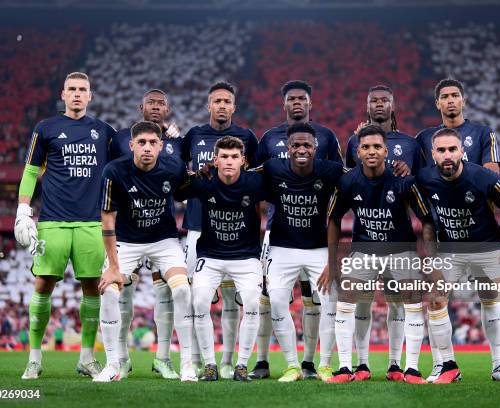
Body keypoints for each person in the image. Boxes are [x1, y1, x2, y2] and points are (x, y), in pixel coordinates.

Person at [16, 72, 116, 380]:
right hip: (52, 222)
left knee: (92, 289)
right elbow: (31, 171)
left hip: (91, 224)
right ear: (63, 94)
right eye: (71, 89)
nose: (76, 94)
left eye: (82, 90)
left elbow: (121, 167)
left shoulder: (105, 131)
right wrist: (22, 209)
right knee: (43, 284)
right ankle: (34, 358)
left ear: (90, 96)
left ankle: (86, 358)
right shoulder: (46, 128)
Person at [318, 125, 434, 384]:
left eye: (377, 147)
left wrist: (428, 258)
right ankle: (348, 368)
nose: (372, 151)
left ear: (386, 151)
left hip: (401, 250)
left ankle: (408, 368)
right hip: (364, 250)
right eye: (366, 147)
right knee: (347, 302)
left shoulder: (403, 180)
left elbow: (426, 218)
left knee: (411, 303)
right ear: (358, 152)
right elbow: (333, 218)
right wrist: (333, 263)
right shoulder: (348, 181)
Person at [415, 127, 500, 385]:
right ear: (433, 154)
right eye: (441, 150)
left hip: (488, 246)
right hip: (451, 250)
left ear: (462, 151)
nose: (447, 155)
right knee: (436, 301)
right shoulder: (424, 178)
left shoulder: (483, 178)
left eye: (453, 149)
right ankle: (449, 367)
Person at [251, 80, 343, 380]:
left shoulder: (328, 140)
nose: (297, 103)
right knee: (273, 299)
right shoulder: (269, 144)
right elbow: (249, 180)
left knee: (324, 301)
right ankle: (286, 364)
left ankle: (320, 363)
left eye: (303, 98)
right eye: (292, 98)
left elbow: (351, 180)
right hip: (279, 240)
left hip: (318, 244)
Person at [95, 121, 195, 382]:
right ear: (132, 145)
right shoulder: (114, 171)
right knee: (107, 290)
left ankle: (187, 364)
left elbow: (188, 190)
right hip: (126, 242)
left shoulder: (173, 167)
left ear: (161, 146)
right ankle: (112, 365)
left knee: (183, 290)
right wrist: (114, 267)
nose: (147, 148)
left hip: (163, 240)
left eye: (153, 143)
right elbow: (107, 219)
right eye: (142, 143)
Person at [345, 85, 424, 381]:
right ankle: (361, 364)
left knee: (397, 302)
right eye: (374, 101)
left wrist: (408, 173)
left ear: (393, 105)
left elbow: (421, 184)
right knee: (361, 301)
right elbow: (350, 180)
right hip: (364, 237)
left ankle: (395, 363)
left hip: (399, 239)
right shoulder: (354, 141)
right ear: (367, 106)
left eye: (384, 100)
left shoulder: (411, 144)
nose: (379, 105)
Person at [181, 81, 258, 378]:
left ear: (234, 106)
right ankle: (200, 360)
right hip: (199, 229)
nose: (222, 105)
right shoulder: (194, 135)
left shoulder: (247, 137)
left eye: (227, 100)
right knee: (197, 298)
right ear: (208, 105)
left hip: (238, 234)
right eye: (217, 101)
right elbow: (180, 171)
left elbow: (257, 177)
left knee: (232, 301)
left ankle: (229, 360)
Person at [110, 89, 182, 379]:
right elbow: (109, 177)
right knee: (123, 292)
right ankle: (122, 358)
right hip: (127, 231)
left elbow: (184, 179)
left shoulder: (177, 141)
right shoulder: (118, 139)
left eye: (161, 103)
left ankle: (163, 357)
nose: (155, 107)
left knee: (165, 291)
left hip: (162, 231)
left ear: (167, 109)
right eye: (150, 102)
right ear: (141, 107)